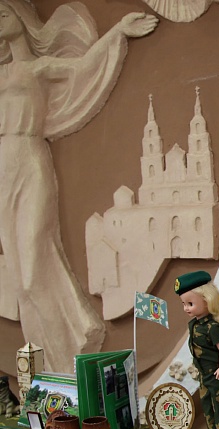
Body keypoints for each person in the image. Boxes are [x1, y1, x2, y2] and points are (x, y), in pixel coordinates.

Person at [0, 2, 158, 371]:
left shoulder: (37, 67)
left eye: (3, 13)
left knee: (33, 268)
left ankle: (69, 353)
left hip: (29, 160)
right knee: (20, 281)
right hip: (2, 170)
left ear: (21, 19)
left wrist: (118, 31)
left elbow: (83, 66)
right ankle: (48, 367)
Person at [175, 271, 219, 429]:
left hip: (216, 374)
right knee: (207, 407)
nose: (186, 308)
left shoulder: (212, 327)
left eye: (190, 304)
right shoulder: (194, 325)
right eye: (184, 304)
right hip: (204, 375)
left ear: (207, 300)